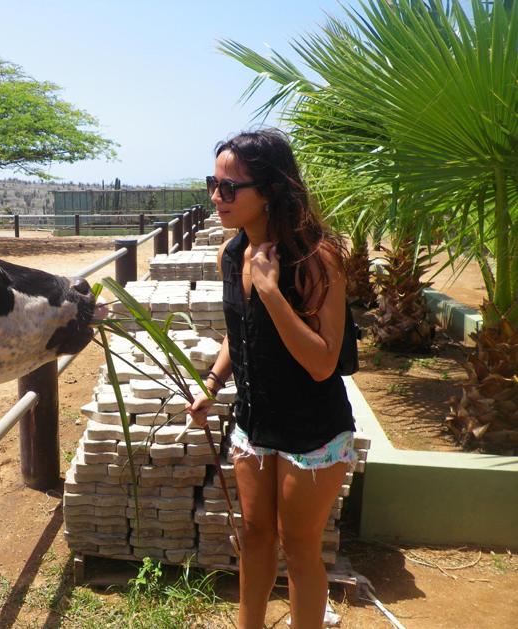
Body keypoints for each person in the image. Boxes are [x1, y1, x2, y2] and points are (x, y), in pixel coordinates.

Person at [186, 129, 357, 629]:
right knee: (256, 533)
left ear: (271, 190)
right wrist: (212, 385)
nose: (217, 198)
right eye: (213, 185)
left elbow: (323, 362)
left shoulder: (316, 260)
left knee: (300, 544)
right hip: (254, 423)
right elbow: (239, 333)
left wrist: (270, 290)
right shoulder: (230, 253)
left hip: (313, 429)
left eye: (229, 188)